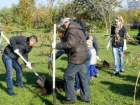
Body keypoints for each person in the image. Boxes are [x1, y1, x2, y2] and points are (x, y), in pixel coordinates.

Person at [52, 18, 91, 104]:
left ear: (67, 23)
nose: (63, 27)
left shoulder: (71, 30)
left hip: (77, 57)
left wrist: (57, 45)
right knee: (83, 77)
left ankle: (71, 98)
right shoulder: (78, 29)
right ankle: (86, 97)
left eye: (63, 25)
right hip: (84, 55)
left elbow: (70, 44)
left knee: (68, 76)